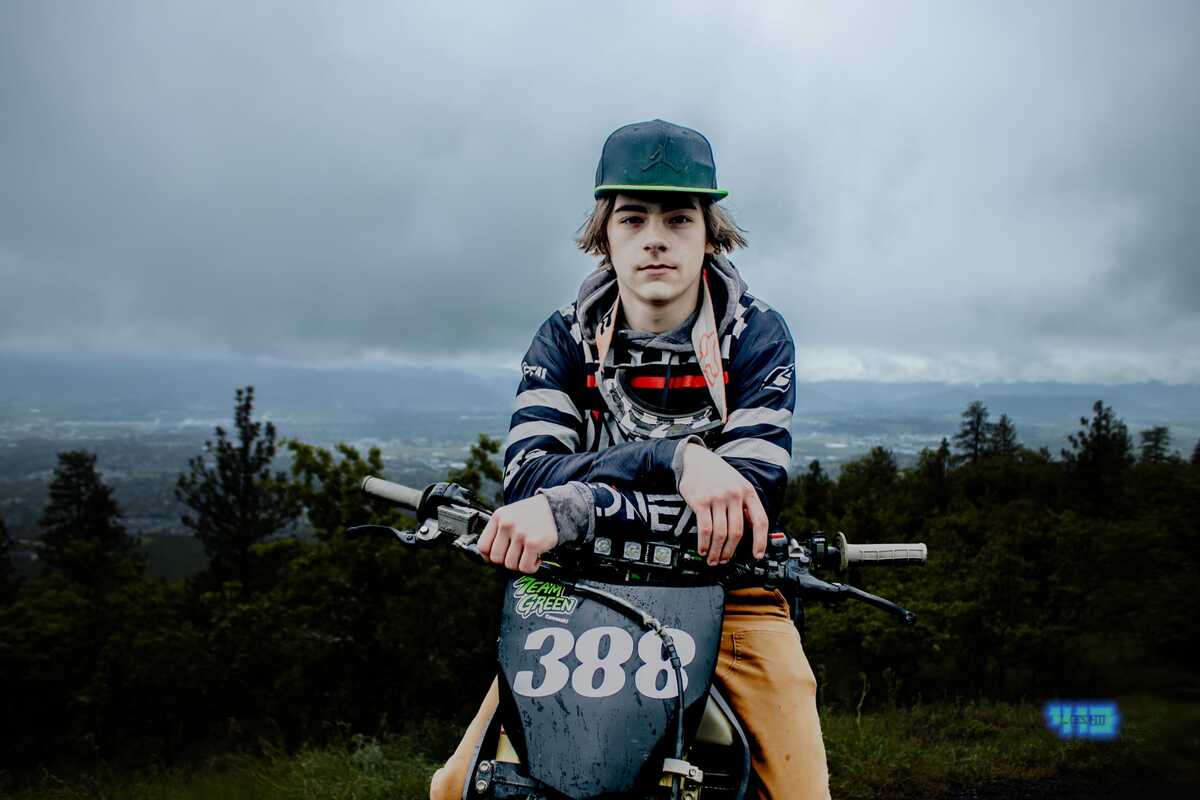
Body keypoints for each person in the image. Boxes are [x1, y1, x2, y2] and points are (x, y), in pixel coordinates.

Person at [430, 119, 831, 800]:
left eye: (679, 219)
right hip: (579, 595)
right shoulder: (564, 336)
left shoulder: (755, 334)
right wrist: (674, 460)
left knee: (798, 792)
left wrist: (580, 504)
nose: (655, 238)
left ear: (709, 235)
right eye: (633, 218)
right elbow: (527, 478)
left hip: (729, 595)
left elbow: (744, 506)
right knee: (454, 789)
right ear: (604, 235)